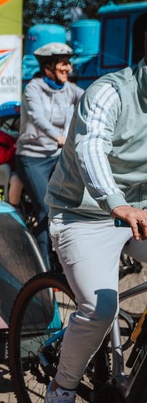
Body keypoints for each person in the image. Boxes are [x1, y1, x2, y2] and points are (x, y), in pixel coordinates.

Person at [42, 31, 147, 403]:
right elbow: (91, 148)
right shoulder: (110, 92)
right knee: (100, 308)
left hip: (140, 212)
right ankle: (62, 386)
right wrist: (115, 201)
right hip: (81, 214)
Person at [16, 42, 83, 268]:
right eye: (63, 63)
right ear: (48, 67)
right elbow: (36, 116)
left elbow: (90, 99)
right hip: (32, 156)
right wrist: (57, 136)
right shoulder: (33, 88)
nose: (68, 67)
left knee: (74, 201)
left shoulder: (69, 89)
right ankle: (43, 270)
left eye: (68, 62)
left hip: (57, 155)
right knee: (46, 209)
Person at [0, 101, 23, 207]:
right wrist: (14, 148)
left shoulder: (22, 134)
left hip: (23, 166)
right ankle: (14, 209)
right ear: (9, 122)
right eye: (19, 121)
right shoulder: (2, 136)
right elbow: (2, 158)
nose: (21, 123)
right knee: (17, 180)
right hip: (12, 169)